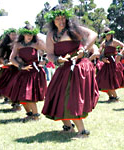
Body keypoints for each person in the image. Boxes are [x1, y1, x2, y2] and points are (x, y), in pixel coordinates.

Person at [42, 5, 99, 139]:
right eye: (57, 19)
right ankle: (68, 127)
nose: (61, 21)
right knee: (54, 96)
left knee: (71, 98)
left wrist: (84, 49)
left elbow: (93, 34)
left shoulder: (74, 29)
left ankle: (82, 132)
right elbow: (49, 54)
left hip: (78, 67)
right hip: (63, 68)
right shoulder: (51, 35)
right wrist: (57, 59)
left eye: (63, 18)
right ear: (53, 20)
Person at [3, 27, 47, 122]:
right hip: (23, 72)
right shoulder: (18, 45)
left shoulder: (36, 44)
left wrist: (44, 61)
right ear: (23, 34)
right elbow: (12, 58)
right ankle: (30, 114)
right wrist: (20, 66)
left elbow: (49, 52)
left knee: (29, 95)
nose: (29, 36)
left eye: (31, 34)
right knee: (21, 94)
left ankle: (36, 115)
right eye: (27, 34)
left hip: (34, 71)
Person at [96, 27, 124, 102]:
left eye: (110, 35)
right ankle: (111, 97)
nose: (109, 36)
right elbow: (98, 53)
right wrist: (102, 58)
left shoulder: (114, 41)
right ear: (105, 35)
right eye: (107, 35)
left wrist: (119, 54)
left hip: (113, 63)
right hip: (106, 63)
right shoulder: (104, 43)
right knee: (100, 80)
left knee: (111, 80)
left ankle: (115, 97)